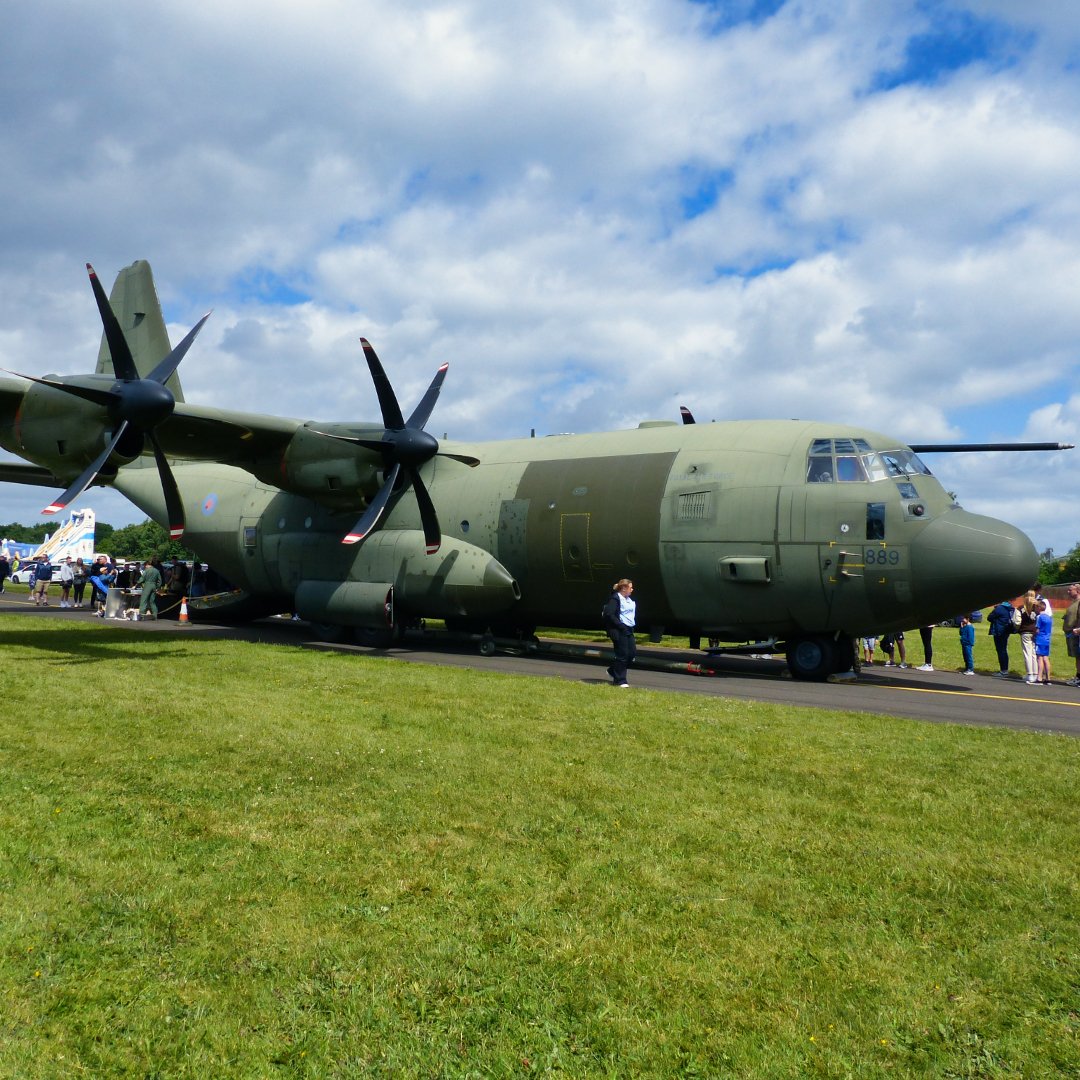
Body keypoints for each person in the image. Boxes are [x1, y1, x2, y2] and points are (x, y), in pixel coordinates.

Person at [602, 578, 637, 687]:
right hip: (619, 629)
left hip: (629, 629)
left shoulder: (628, 600)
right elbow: (609, 614)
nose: (632, 589)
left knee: (631, 654)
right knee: (622, 655)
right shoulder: (615, 599)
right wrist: (620, 625)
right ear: (623, 588)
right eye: (630, 587)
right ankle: (620, 680)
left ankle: (613, 671)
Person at [986, 599, 1016, 677]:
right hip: (1006, 630)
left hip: (999, 631)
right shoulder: (1011, 608)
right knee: (1004, 650)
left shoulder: (999, 608)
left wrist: (995, 609)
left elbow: (989, 617)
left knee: (1001, 651)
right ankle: (1005, 669)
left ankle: (1003, 670)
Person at [1017, 590, 1040, 684]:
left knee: (1027, 653)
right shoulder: (1037, 607)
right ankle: (1035, 673)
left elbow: (1017, 621)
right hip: (1035, 631)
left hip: (1025, 632)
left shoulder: (1021, 608)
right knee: (1034, 653)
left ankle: (1029, 674)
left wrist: (1017, 628)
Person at [1063, 584, 1080, 687]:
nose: (1068, 592)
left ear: (1077, 591)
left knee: (1079, 656)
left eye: (1070, 590)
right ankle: (1078, 677)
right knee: (1077, 657)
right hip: (1072, 632)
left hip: (1076, 633)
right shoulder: (1074, 602)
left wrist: (1077, 629)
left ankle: (1078, 678)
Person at [1034, 599, 1053, 685]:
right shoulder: (1048, 617)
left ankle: (1039, 677)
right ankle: (1048, 678)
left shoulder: (1039, 617)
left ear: (1038, 608)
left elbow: (1037, 629)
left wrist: (1034, 635)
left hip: (1040, 639)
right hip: (1047, 639)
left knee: (1039, 658)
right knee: (1046, 658)